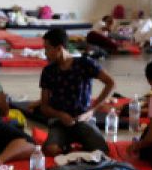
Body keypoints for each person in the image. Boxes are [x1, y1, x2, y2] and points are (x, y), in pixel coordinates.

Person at [33, 27, 116, 157]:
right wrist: (60, 115)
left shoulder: (84, 63)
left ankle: (73, 148)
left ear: (59, 48)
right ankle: (67, 146)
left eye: (47, 49)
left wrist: (92, 110)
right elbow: (44, 107)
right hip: (59, 123)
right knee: (50, 150)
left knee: (101, 150)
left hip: (83, 120)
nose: (45, 53)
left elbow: (111, 83)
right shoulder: (48, 71)